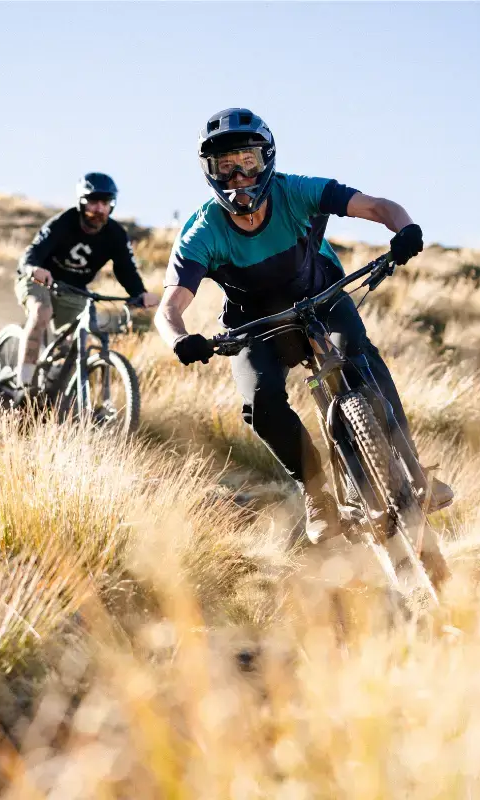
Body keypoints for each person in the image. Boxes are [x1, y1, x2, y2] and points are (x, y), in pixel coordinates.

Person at [154, 108, 453, 544]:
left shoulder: (296, 192)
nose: (239, 175)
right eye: (226, 166)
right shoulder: (202, 231)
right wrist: (180, 340)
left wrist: (404, 228)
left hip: (323, 298)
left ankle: (412, 469)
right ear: (211, 173)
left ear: (267, 159)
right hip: (253, 323)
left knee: (359, 357)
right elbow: (169, 308)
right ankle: (316, 494)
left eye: (248, 161)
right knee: (260, 403)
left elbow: (376, 206)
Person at [14, 172, 159, 393]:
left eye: (105, 203)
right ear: (82, 202)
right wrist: (34, 268)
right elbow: (34, 251)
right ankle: (22, 383)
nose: (99, 209)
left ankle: (52, 389)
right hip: (39, 280)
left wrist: (140, 293)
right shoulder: (63, 222)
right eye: (93, 202)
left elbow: (125, 269)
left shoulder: (116, 235)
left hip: (74, 290)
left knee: (74, 341)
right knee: (41, 311)